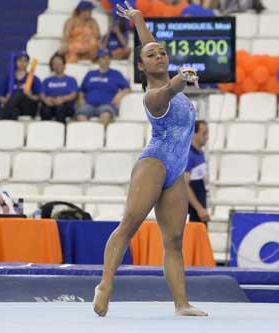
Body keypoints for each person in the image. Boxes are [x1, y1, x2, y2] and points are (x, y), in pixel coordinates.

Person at [93, 2, 207, 317]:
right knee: (129, 225)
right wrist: (181, 78)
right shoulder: (154, 96)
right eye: (151, 56)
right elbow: (169, 89)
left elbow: (150, 46)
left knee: (173, 240)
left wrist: (139, 19)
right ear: (141, 68)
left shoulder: (173, 85)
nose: (158, 56)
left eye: (162, 53)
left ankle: (181, 304)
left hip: (176, 171)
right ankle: (105, 284)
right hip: (154, 164)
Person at [76, 48, 130, 126]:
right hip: (89, 105)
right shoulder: (90, 74)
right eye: (103, 58)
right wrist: (81, 99)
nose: (106, 60)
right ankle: (88, 135)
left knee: (105, 115)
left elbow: (127, 89)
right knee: (80, 115)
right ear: (98, 60)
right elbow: (82, 90)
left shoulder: (116, 74)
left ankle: (98, 136)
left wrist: (119, 95)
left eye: (108, 58)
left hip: (107, 105)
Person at [0, 52, 42, 120]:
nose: (22, 63)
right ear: (16, 62)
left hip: (28, 107)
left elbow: (39, 98)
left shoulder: (34, 78)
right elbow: (0, 97)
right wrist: (7, 100)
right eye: (20, 60)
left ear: (28, 63)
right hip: (14, 107)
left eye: (25, 61)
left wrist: (30, 95)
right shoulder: (9, 78)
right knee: (14, 111)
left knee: (19, 93)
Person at [40, 54, 79, 123]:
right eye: (54, 63)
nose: (57, 65)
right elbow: (42, 94)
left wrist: (62, 99)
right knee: (45, 109)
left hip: (65, 106)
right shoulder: (47, 80)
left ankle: (61, 131)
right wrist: (46, 100)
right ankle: (46, 130)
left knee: (60, 108)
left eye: (59, 63)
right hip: (50, 104)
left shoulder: (71, 80)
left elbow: (73, 94)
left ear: (64, 65)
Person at [184, 120, 210, 224]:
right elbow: (185, 186)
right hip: (193, 210)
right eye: (204, 133)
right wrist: (199, 208)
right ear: (194, 133)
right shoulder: (189, 155)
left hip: (201, 205)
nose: (207, 137)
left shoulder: (200, 154)